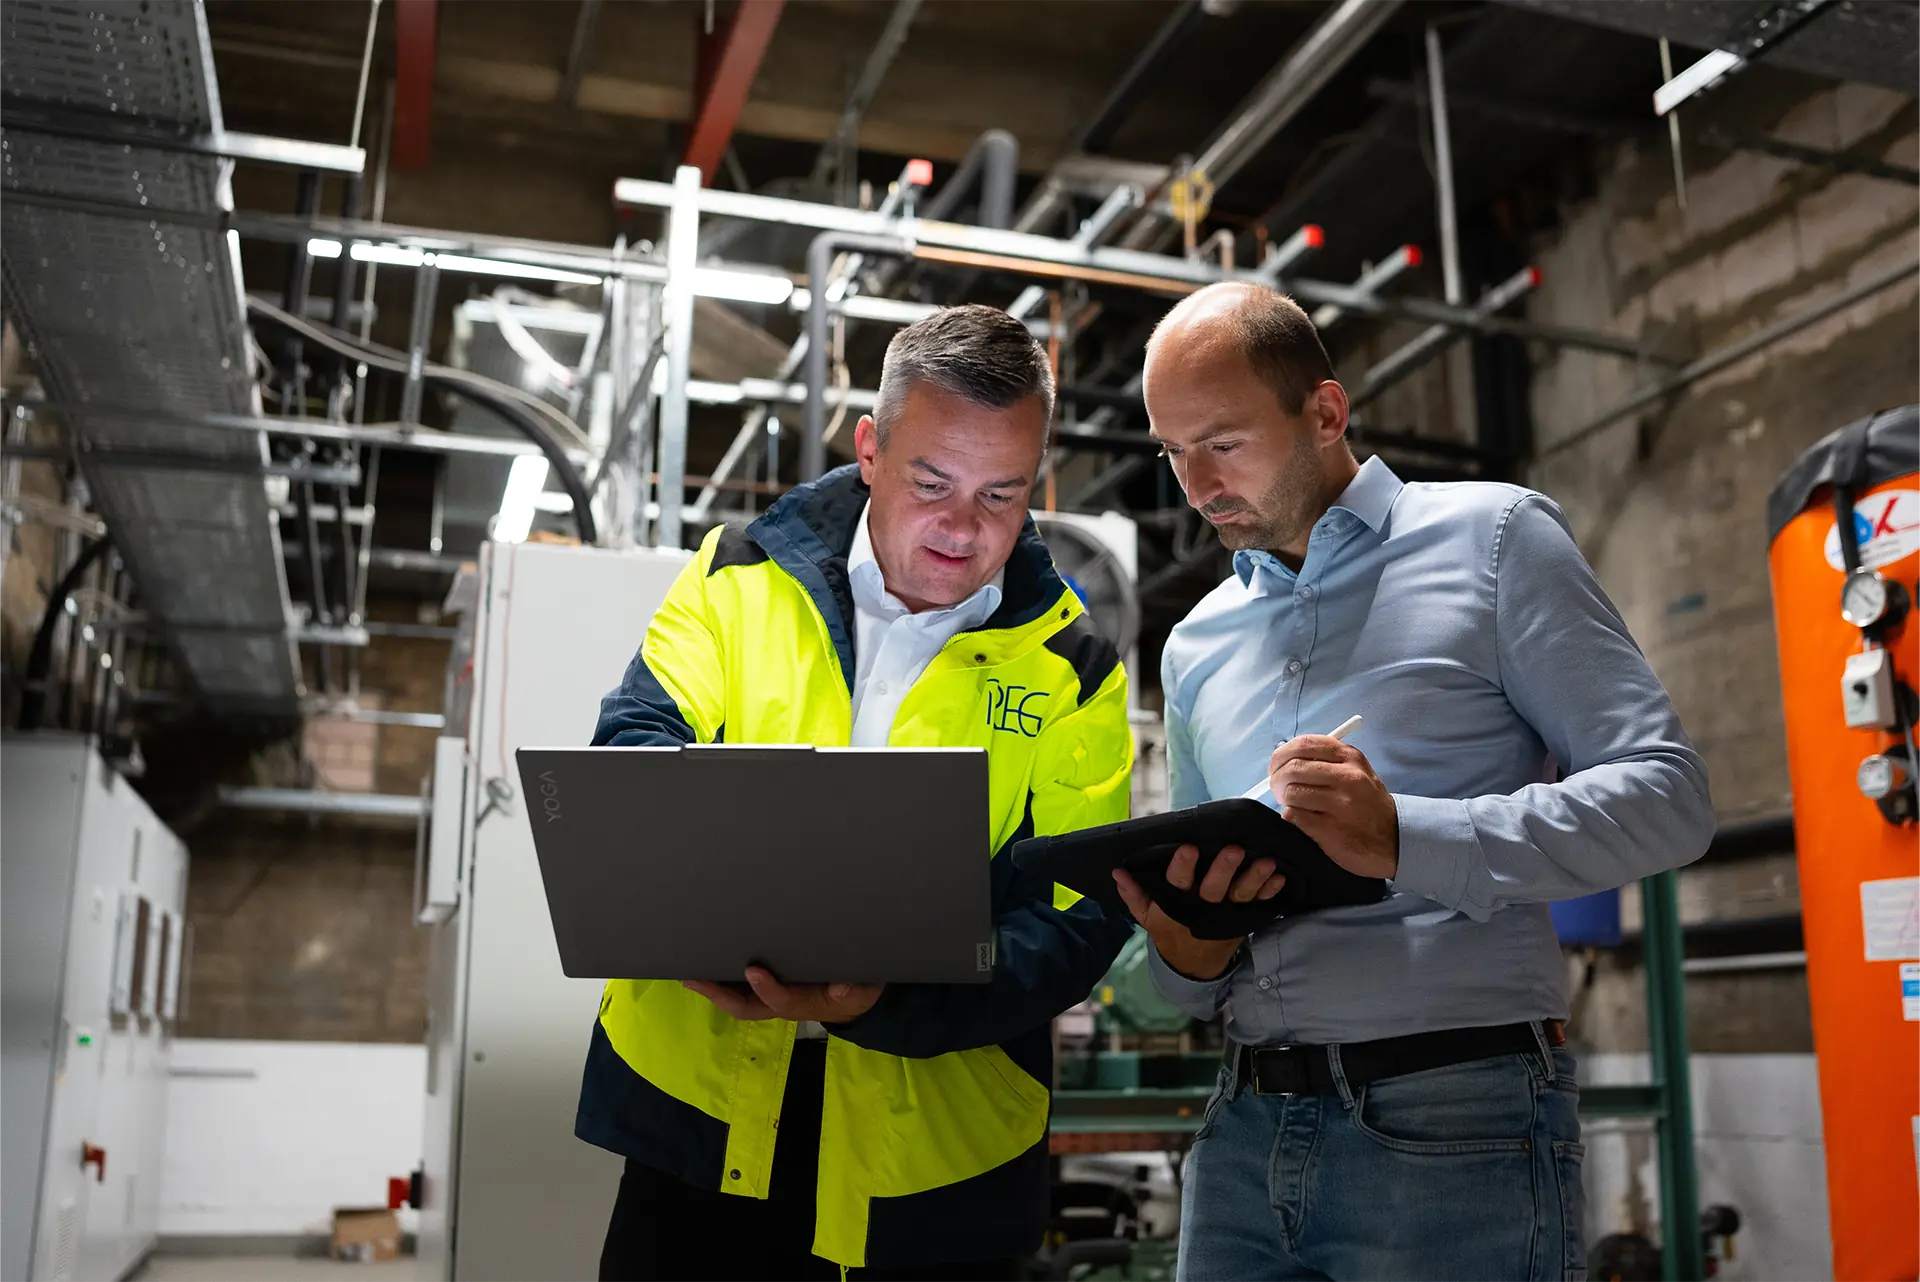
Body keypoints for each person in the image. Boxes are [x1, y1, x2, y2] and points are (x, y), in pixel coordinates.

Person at [1117, 282, 1714, 1282]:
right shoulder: (1195, 646)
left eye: (1222, 441)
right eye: (1172, 451)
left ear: (1325, 412)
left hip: (1457, 1118)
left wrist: (1404, 837)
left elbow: (1668, 799)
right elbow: (1188, 948)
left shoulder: (1495, 541)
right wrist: (1186, 947)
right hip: (1241, 1130)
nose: (1197, 483)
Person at [581, 304, 1137, 1281]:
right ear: (872, 448)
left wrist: (888, 1000)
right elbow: (636, 748)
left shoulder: (1073, 668)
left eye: (1002, 495)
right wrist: (681, 926)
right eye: (932, 483)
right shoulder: (737, 581)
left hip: (936, 1166)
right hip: (702, 1132)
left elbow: (1076, 920)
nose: (964, 528)